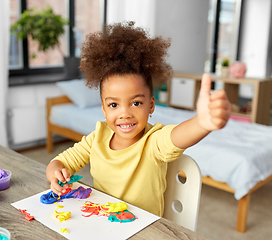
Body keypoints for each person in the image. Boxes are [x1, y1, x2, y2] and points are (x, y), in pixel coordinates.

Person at [46, 22, 231, 216]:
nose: (125, 113)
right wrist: (56, 174)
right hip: (102, 222)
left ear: (151, 105)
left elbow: (177, 136)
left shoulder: (153, 142)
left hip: (145, 230)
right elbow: (59, 162)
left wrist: (201, 123)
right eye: (113, 105)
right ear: (103, 109)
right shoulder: (96, 138)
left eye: (135, 103)